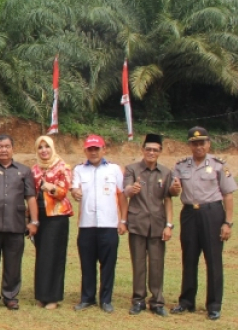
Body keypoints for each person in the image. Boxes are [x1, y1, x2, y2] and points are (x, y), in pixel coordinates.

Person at [170, 126, 237, 321]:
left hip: (212, 213)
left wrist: (228, 223)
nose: (198, 146)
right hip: (190, 213)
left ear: (208, 144)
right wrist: (174, 189)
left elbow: (228, 195)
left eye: (202, 143)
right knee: (189, 258)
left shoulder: (218, 165)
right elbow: (174, 191)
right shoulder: (181, 165)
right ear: (189, 145)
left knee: (213, 260)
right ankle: (186, 301)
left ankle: (214, 305)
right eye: (194, 143)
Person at [0, 134, 38, 311]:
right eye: (0, 146)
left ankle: (10, 296)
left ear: (13, 148)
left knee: (13, 263)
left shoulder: (24, 171)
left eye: (7, 146)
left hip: (15, 224)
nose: (3, 150)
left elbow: (31, 197)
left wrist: (34, 221)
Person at [70, 135, 126, 313]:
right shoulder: (79, 170)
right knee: (87, 264)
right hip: (87, 225)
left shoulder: (114, 169)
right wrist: (75, 192)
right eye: (90, 149)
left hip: (109, 224)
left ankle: (106, 300)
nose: (93, 152)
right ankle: (87, 298)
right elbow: (74, 188)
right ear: (85, 151)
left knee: (108, 264)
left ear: (104, 149)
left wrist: (123, 220)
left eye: (97, 148)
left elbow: (122, 195)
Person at [123, 133, 174, 317]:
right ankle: (138, 300)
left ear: (160, 152)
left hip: (158, 224)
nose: (151, 152)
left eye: (155, 150)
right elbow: (126, 190)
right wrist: (132, 189)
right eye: (148, 149)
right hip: (137, 222)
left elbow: (168, 199)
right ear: (142, 150)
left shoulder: (166, 172)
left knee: (156, 263)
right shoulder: (132, 169)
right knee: (138, 263)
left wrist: (169, 225)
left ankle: (157, 301)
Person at [30, 136, 73, 310]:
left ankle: (53, 297)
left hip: (57, 216)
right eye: (40, 148)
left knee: (54, 256)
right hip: (39, 216)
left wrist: (51, 188)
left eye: (47, 147)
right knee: (42, 256)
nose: (44, 151)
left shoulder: (63, 167)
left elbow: (63, 192)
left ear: (52, 148)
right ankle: (41, 296)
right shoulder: (34, 169)